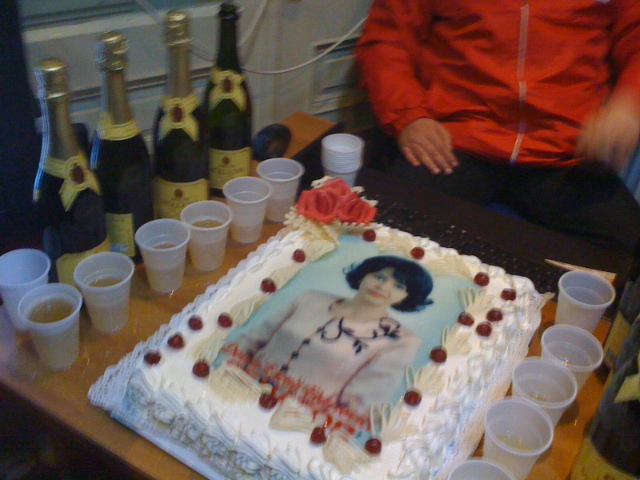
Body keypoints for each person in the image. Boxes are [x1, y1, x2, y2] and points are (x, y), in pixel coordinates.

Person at [355, 0, 640, 255]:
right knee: (388, 220)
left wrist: (628, 106)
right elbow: (386, 40)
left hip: (565, 149)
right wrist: (409, 116)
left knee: (624, 243)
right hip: (457, 139)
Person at [223, 255, 433, 434]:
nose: (383, 287)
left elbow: (362, 401)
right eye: (379, 277)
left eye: (398, 286)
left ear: (407, 296)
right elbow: (254, 339)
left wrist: (319, 429)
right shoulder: (311, 297)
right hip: (239, 389)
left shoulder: (402, 340)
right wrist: (225, 375)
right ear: (364, 274)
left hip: (299, 421)